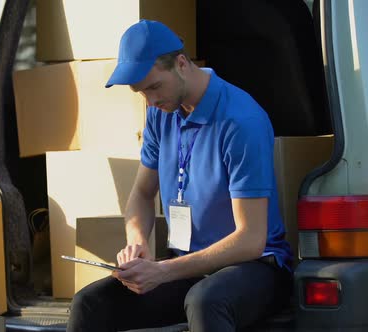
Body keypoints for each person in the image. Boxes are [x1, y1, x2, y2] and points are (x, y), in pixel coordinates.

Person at [66, 20, 293, 332]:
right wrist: (137, 242)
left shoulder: (241, 121)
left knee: (204, 301)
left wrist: (162, 271)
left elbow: (251, 239)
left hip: (255, 267)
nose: (150, 101)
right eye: (140, 92)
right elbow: (142, 195)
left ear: (182, 64)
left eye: (154, 86)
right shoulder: (161, 114)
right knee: (89, 304)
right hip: (186, 267)